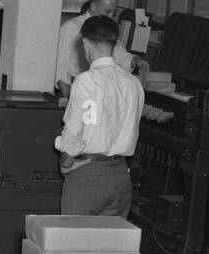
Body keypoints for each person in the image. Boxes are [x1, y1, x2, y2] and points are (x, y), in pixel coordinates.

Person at [54, 14, 145, 217]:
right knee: (110, 247)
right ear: (114, 43)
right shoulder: (133, 83)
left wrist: (65, 164)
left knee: (74, 245)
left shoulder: (87, 81)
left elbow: (74, 133)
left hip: (88, 176)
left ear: (85, 43)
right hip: (121, 176)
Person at [55, 0, 143, 98]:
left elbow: (120, 55)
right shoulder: (71, 28)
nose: (111, 17)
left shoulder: (108, 29)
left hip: (102, 92)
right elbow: (61, 70)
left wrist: (136, 61)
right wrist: (68, 100)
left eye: (113, 13)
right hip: (76, 91)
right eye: (107, 11)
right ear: (93, 6)